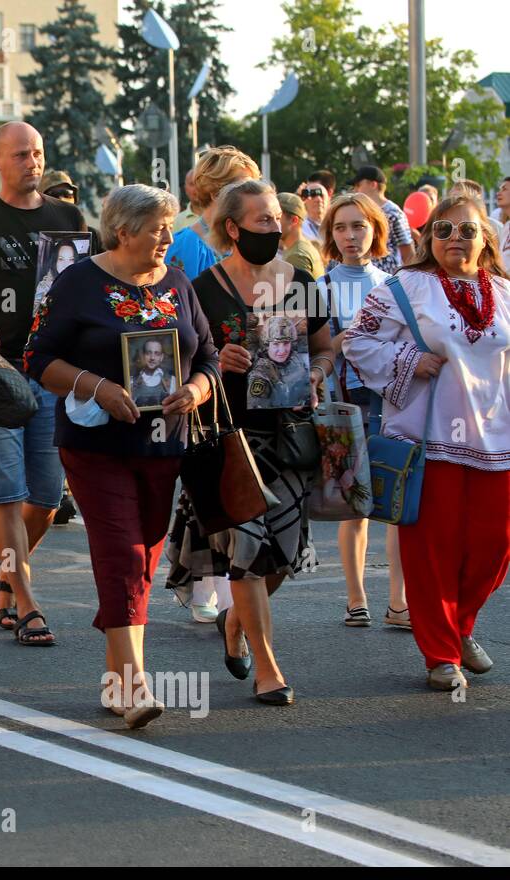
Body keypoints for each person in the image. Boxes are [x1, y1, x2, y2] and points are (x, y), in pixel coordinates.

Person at [25, 183, 217, 728]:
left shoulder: (178, 282)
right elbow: (39, 357)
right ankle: (134, 684)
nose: (167, 236)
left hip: (165, 445)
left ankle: (114, 680)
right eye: (158, 226)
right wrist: (96, 386)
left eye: (170, 225)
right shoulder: (78, 282)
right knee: (122, 553)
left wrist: (197, 390)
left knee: (144, 556)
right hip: (96, 444)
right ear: (123, 229)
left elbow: (205, 354)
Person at [167, 179, 335, 706]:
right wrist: (218, 360)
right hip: (228, 438)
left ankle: (237, 619)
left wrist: (316, 373)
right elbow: (183, 358)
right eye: (262, 220)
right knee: (247, 552)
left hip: (288, 436)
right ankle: (268, 668)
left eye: (277, 219)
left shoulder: (303, 281)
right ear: (233, 227)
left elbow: (326, 347)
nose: (275, 227)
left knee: (281, 557)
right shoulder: (203, 287)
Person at [343, 195, 509, 692]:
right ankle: (440, 652)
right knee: (432, 548)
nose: (455, 238)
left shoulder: (503, 290)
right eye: (443, 230)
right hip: (430, 438)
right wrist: (409, 361)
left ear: (486, 238)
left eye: (466, 230)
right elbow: (357, 340)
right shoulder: (404, 287)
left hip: (497, 436)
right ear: (427, 238)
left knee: (493, 546)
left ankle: (459, 629)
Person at [0, 121, 84, 646]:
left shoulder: (66, 217)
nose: (33, 162)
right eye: (21, 154)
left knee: (47, 497)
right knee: (7, 494)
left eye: (39, 153)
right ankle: (25, 598)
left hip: (52, 370)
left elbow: (79, 290)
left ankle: (5, 577)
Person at [161, 146, 259, 623]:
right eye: (238, 188)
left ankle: (226, 580)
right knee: (207, 476)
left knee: (240, 478)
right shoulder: (185, 243)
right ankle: (208, 582)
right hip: (203, 376)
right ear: (216, 193)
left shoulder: (251, 240)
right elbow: (172, 318)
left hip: (252, 378)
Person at [317, 191, 408, 629]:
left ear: (376, 230)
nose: (350, 236)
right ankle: (356, 599)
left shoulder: (394, 286)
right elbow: (316, 355)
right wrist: (351, 336)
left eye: (358, 226)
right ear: (331, 235)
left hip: (392, 404)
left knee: (394, 503)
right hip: (342, 407)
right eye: (340, 227)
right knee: (354, 505)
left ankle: (398, 602)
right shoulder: (322, 287)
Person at [165, 146, 260, 281]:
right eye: (243, 188)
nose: (253, 196)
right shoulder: (182, 247)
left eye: (254, 188)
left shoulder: (250, 241)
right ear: (216, 193)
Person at [349, 166, 414, 274]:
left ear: (373, 184)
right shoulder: (361, 212)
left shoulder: (393, 213)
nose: (355, 190)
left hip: (389, 280)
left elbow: (408, 252)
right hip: (366, 277)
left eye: (358, 185)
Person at [277, 192, 324, 279]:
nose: (273, 224)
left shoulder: (297, 256)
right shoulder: (297, 249)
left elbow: (300, 292)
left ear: (294, 220)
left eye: (278, 218)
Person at [300, 170, 335, 242]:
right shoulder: (298, 228)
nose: (318, 199)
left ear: (329, 195)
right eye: (313, 195)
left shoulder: (339, 222)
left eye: (321, 195)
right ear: (304, 199)